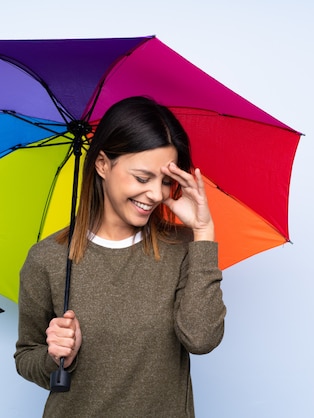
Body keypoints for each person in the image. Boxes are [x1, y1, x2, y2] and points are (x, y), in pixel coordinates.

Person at [14, 96, 226, 417]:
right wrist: (56, 357)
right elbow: (26, 355)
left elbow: (201, 339)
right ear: (102, 164)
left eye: (166, 181)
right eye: (143, 178)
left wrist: (203, 231)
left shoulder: (185, 249)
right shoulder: (47, 258)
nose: (156, 194)